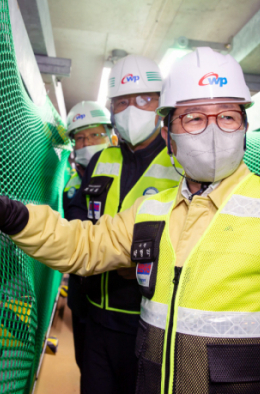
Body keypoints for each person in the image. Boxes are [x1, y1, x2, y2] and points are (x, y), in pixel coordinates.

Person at [0, 47, 260, 394]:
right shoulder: (154, 210)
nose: (212, 131)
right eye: (194, 118)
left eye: (227, 116)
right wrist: (14, 216)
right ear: (170, 133)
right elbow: (84, 245)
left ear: (244, 127)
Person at [63, 55, 182, 394]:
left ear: (163, 104)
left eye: (145, 99)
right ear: (112, 109)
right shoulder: (104, 159)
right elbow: (83, 220)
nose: (133, 109)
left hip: (147, 320)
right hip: (95, 313)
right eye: (123, 102)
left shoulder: (180, 163)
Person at [63, 100, 114, 387]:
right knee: (90, 367)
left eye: (95, 135)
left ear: (110, 136)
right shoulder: (72, 185)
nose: (87, 143)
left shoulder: (123, 175)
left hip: (121, 295)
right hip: (83, 291)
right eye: (80, 137)